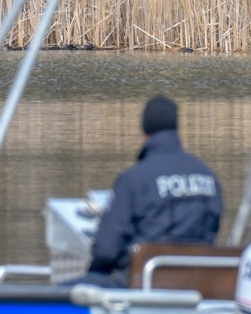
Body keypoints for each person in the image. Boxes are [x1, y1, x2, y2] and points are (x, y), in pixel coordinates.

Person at [78, 95, 223, 287]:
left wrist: (93, 277)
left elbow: (106, 250)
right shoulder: (208, 176)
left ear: (144, 129)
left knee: (67, 293)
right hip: (196, 284)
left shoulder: (134, 178)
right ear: (176, 127)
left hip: (144, 284)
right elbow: (212, 230)